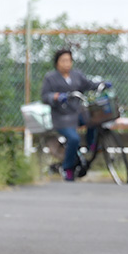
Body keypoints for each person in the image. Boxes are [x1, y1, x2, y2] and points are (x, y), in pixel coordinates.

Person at [41, 49, 98, 181]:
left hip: (77, 113)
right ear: (57, 63)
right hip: (61, 118)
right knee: (74, 139)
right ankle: (68, 168)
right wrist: (56, 97)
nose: (67, 63)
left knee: (95, 119)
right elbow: (45, 96)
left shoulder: (77, 75)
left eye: (69, 60)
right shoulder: (50, 78)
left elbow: (89, 84)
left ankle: (91, 146)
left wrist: (101, 84)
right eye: (63, 61)